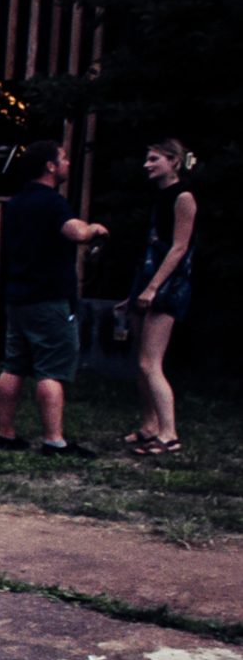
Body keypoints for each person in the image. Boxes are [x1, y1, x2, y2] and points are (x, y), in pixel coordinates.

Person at [0, 141, 107, 457]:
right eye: (65, 158)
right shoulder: (52, 203)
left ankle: (5, 433)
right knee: (51, 370)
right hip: (50, 298)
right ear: (50, 167)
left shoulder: (16, 203)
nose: (68, 163)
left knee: (14, 365)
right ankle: (54, 441)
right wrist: (93, 229)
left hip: (18, 296)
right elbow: (76, 232)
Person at [118, 139, 198, 457]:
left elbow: (180, 247)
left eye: (154, 159)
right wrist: (135, 291)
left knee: (151, 362)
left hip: (169, 286)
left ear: (173, 162)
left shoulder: (184, 197)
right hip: (149, 281)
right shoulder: (161, 196)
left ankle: (169, 435)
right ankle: (150, 426)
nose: (147, 164)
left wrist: (153, 288)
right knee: (142, 361)